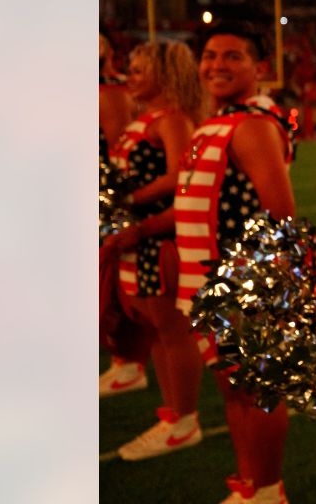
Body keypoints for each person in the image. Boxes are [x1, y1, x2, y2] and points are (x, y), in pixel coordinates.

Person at [173, 22, 296, 504]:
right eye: (209, 55)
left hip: (240, 285)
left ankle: (268, 489)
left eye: (232, 56)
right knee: (233, 391)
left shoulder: (252, 126)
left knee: (256, 390)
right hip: (204, 282)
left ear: (259, 68)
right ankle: (252, 486)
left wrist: (258, 289)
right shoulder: (218, 121)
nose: (216, 65)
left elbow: (280, 215)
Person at [104, 40, 208, 461]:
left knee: (173, 331)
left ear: (165, 75)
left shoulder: (173, 119)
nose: (130, 75)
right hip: (139, 238)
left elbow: (181, 177)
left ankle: (185, 418)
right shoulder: (142, 118)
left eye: (140, 68)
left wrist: (131, 200)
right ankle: (172, 414)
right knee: (155, 327)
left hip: (162, 237)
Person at [99, 32, 152, 396]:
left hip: (110, 200)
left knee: (115, 282)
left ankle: (128, 361)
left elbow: (119, 155)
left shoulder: (110, 93)